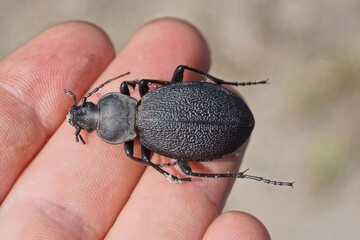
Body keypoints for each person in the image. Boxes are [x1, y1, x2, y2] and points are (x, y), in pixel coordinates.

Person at [0, 18, 270, 239]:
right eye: (90, 117)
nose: (86, 113)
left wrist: (162, 169)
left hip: (216, 118)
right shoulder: (140, 93)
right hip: (211, 112)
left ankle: (243, 175)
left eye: (88, 109)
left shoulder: (140, 146)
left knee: (186, 170)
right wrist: (164, 89)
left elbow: (135, 155)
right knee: (180, 70)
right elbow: (140, 85)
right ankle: (243, 171)